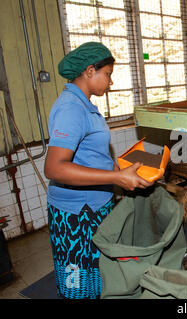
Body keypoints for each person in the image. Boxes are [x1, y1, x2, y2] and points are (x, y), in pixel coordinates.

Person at [44, 42, 152, 299]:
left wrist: (123, 174)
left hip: (94, 206)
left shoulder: (86, 105)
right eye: (108, 74)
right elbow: (54, 167)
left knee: (98, 274)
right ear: (90, 71)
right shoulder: (72, 108)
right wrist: (116, 177)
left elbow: (95, 156)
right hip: (76, 214)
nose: (111, 82)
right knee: (78, 283)